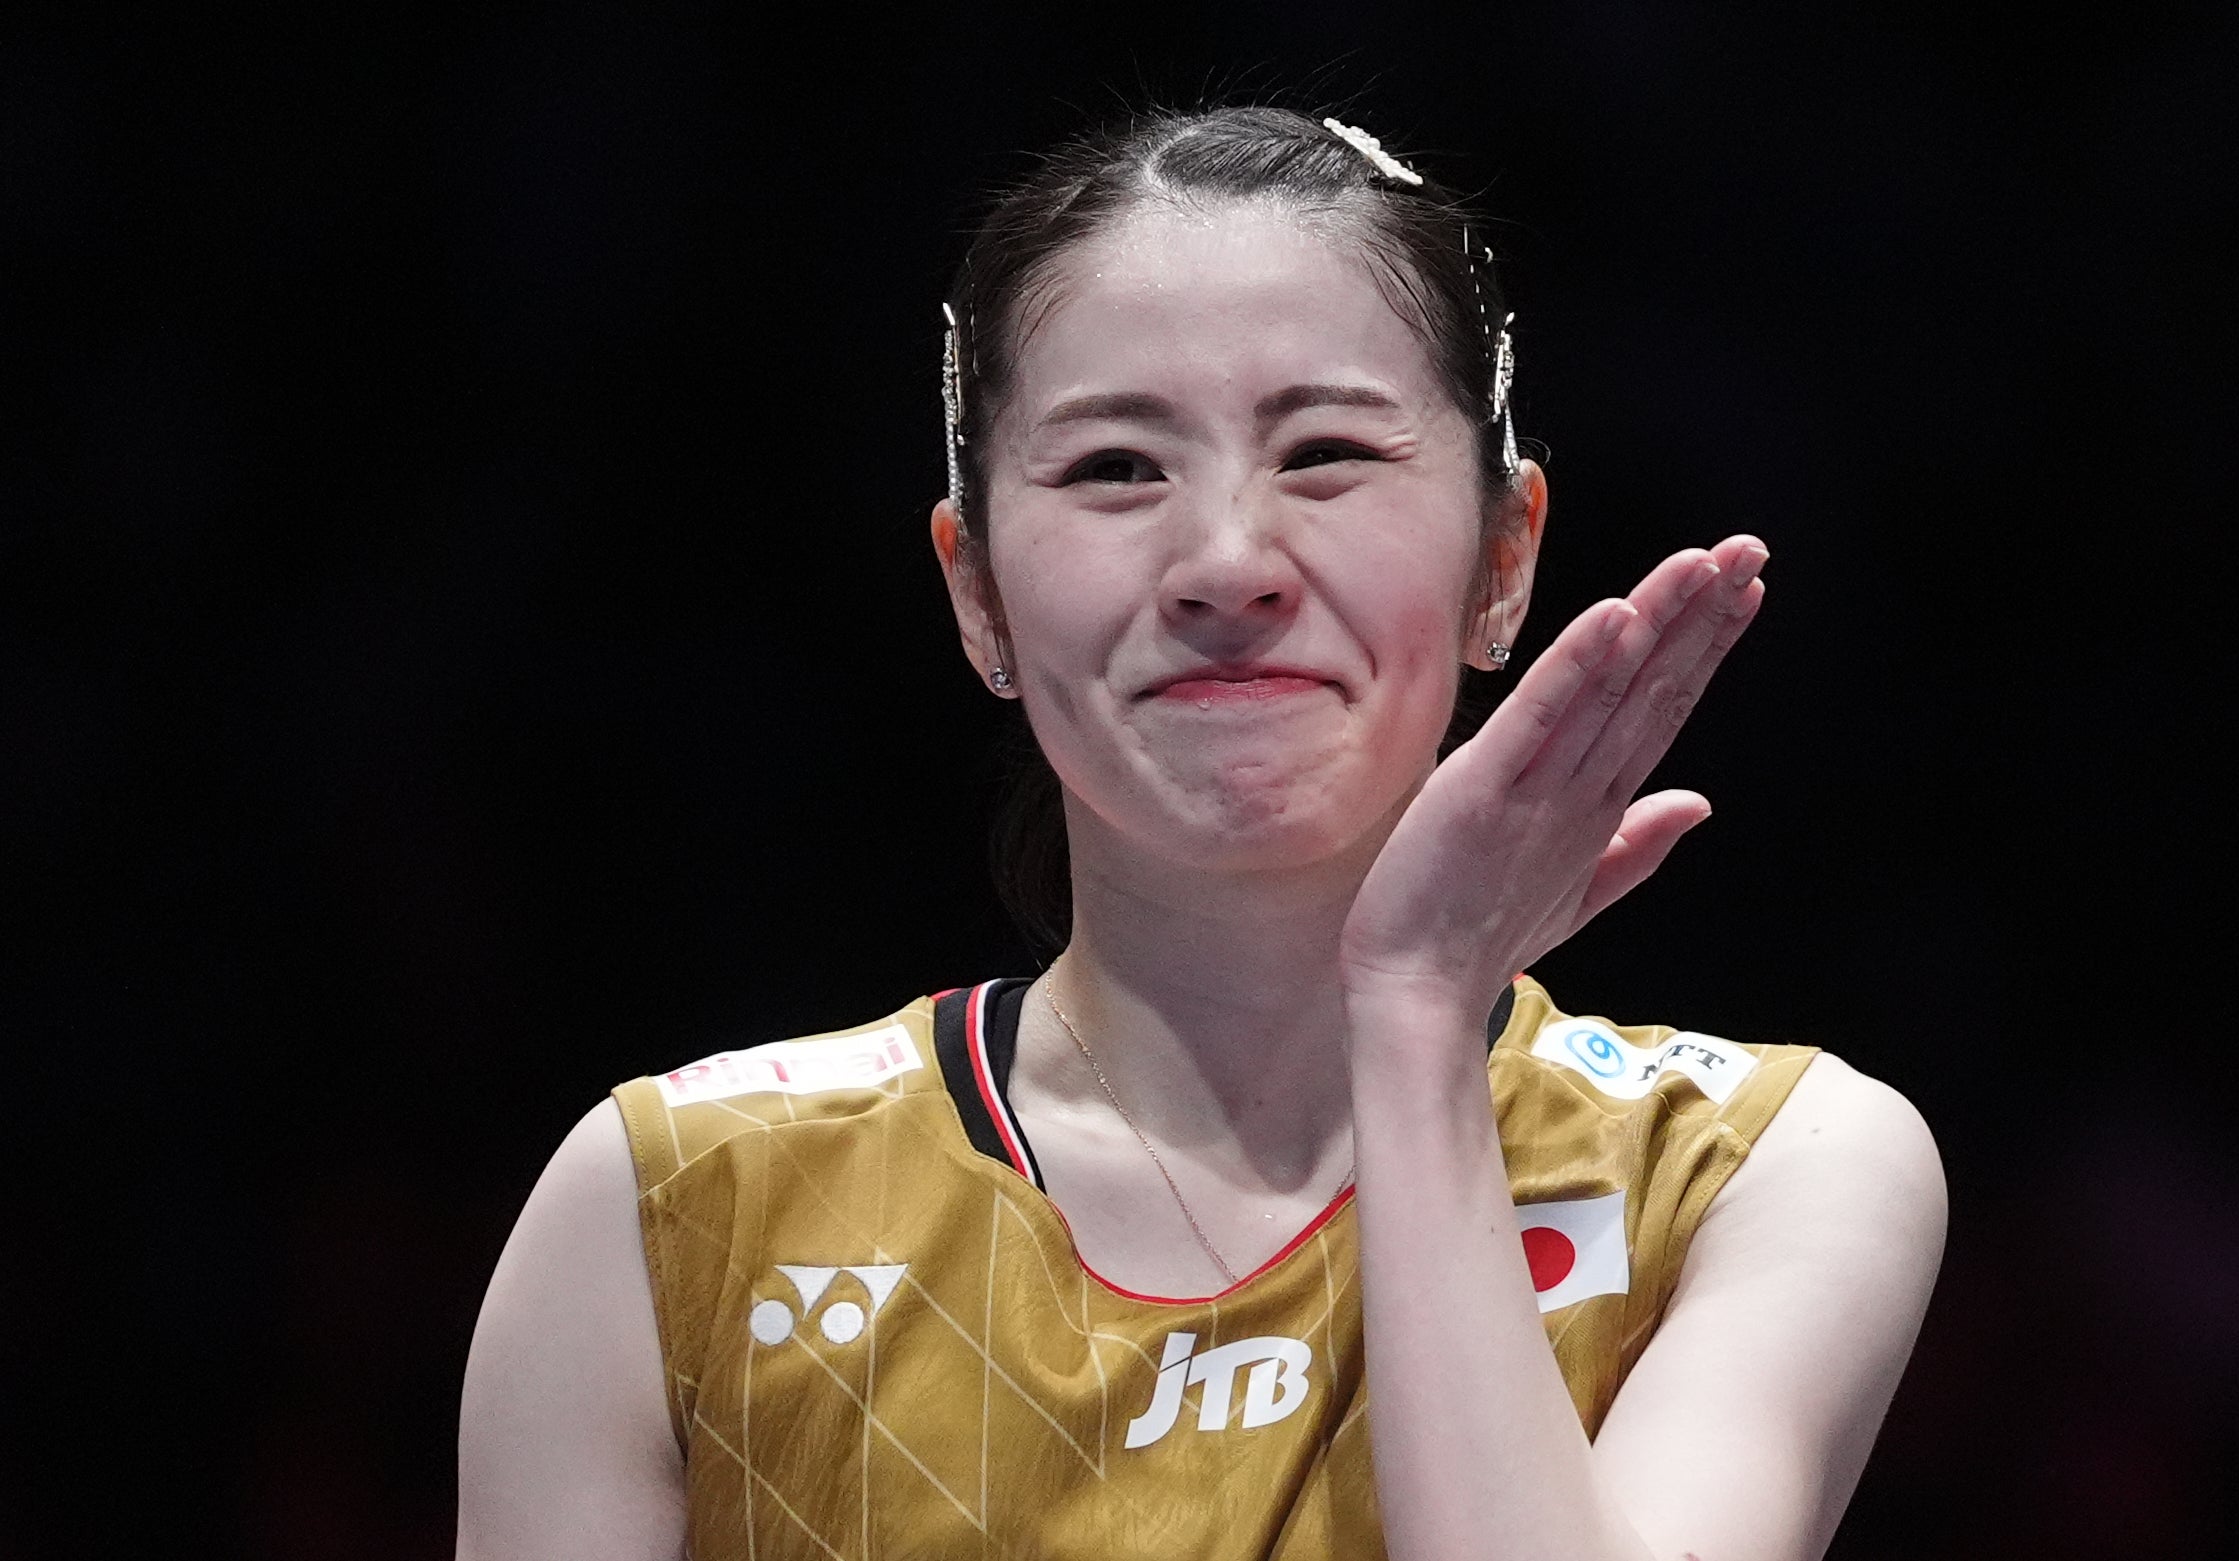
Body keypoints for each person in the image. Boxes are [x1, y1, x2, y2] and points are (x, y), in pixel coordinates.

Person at [457, 104, 1946, 1561]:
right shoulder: (671, 1209)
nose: (1226, 563)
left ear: (1505, 558)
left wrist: (1419, 1014)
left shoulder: (1762, 1169)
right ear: (974, 588)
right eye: (1114, 467)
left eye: (1324, 455)